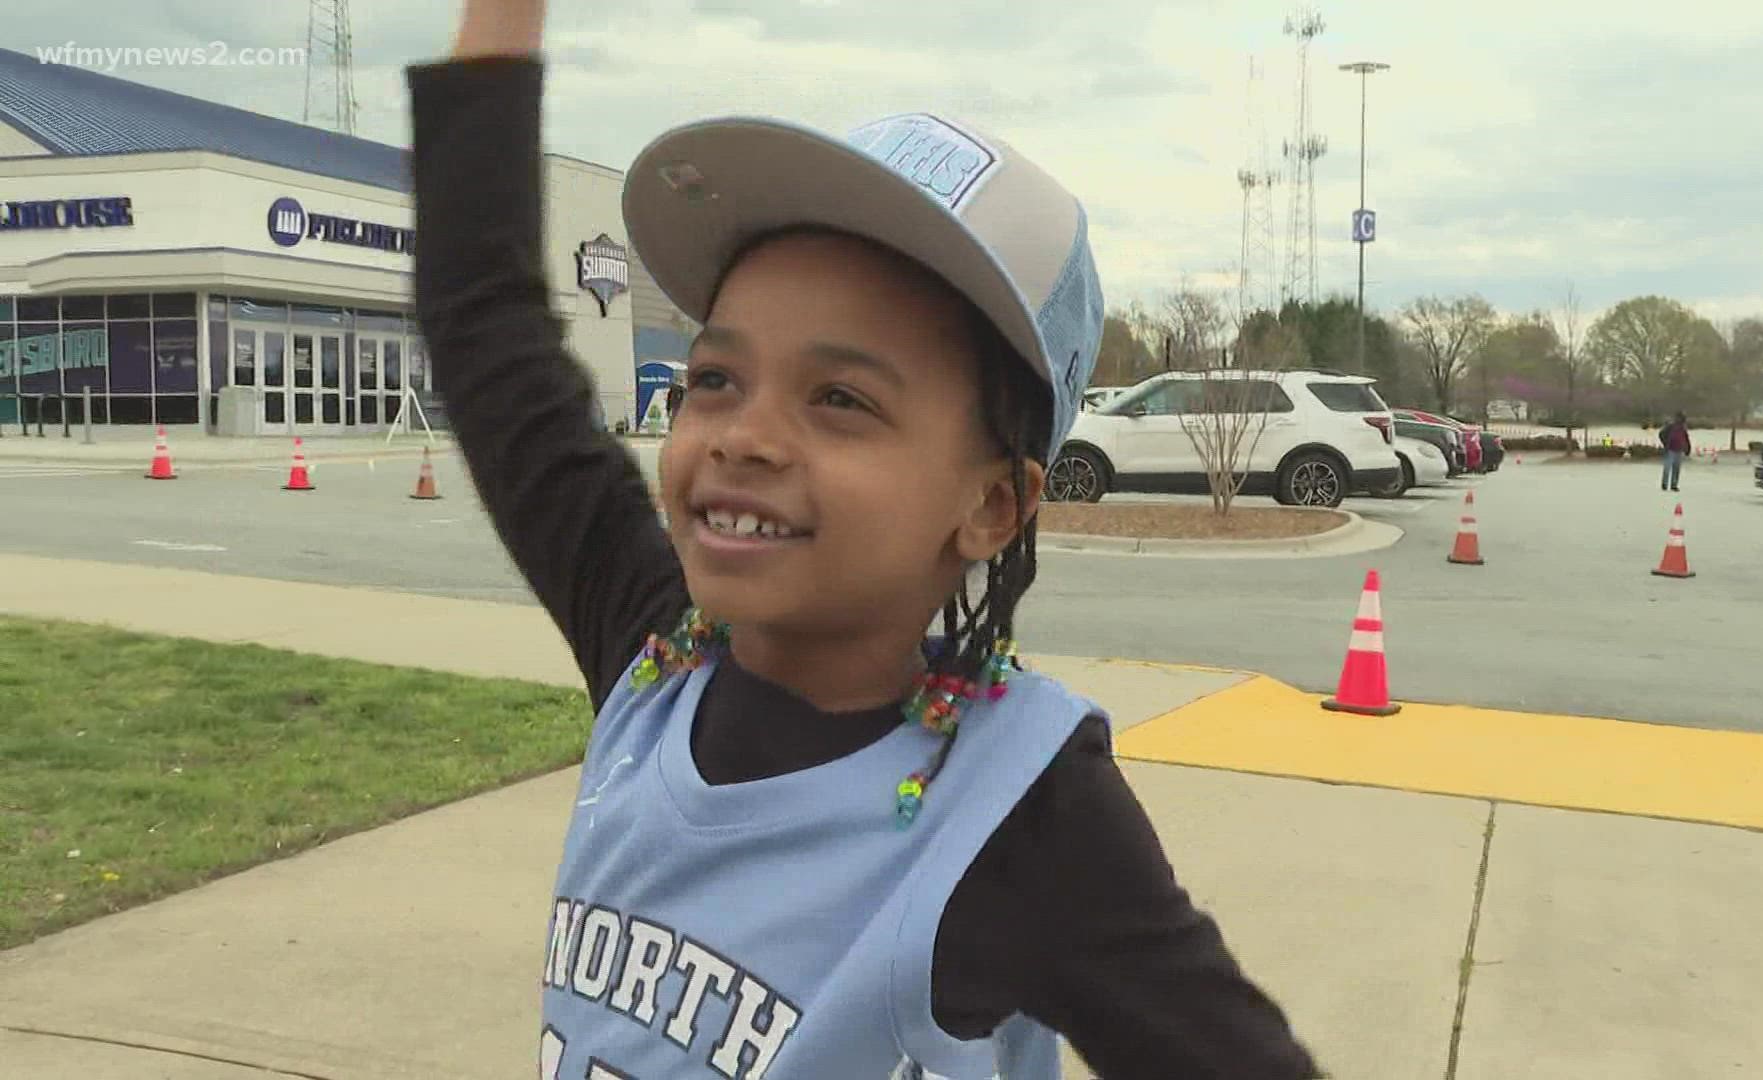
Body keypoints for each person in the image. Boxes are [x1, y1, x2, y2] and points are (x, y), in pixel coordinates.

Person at [406, 3, 1324, 1078]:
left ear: (992, 505)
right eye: (715, 378)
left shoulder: (1019, 810)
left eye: (839, 397)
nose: (744, 435)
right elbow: (487, 328)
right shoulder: (648, 658)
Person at [1657, 411, 1691, 491]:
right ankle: (1665, 484)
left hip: (1679, 450)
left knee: (1676, 469)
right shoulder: (1670, 426)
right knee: (1667, 468)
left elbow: (1686, 439)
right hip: (1670, 450)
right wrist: (1665, 443)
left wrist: (1688, 449)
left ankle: (1673, 485)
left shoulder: (1683, 428)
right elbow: (1661, 434)